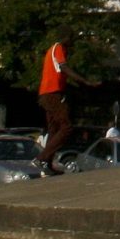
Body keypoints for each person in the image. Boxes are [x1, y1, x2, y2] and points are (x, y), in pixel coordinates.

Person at [34, 27, 98, 174]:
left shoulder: (52, 49)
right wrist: (85, 81)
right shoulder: (58, 48)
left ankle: (47, 163)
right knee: (66, 127)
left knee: (54, 129)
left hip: (46, 94)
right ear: (66, 38)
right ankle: (41, 158)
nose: (72, 41)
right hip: (52, 94)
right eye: (72, 38)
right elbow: (64, 68)